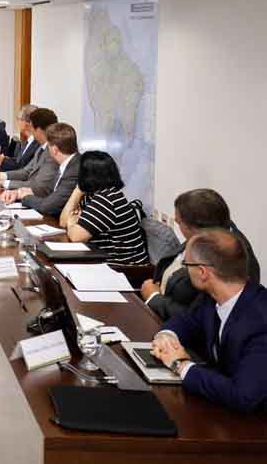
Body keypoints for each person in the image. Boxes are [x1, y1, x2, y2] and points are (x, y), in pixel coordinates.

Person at [151, 229, 267, 413]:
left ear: (203, 272)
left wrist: (180, 365)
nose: (185, 269)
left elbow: (243, 396)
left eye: (186, 264)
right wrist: (166, 337)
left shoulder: (260, 321)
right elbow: (186, 322)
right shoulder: (212, 298)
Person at [142, 189, 260, 320]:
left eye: (179, 222)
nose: (177, 225)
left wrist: (155, 299)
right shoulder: (207, 234)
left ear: (195, 228)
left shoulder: (231, 258)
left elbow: (205, 319)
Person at [58, 151, 150, 265]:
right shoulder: (94, 195)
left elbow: (76, 236)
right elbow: (63, 222)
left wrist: (71, 223)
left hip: (124, 268)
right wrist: (77, 191)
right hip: (104, 259)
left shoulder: (107, 199)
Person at [0, 122, 79, 216]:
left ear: (54, 150)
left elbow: (48, 207)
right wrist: (17, 193)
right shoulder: (69, 163)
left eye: (48, 146)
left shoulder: (73, 170)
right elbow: (49, 190)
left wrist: (25, 197)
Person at [0, 108, 59, 196]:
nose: (30, 131)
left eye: (31, 127)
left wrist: (3, 183)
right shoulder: (41, 148)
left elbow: (39, 186)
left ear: (38, 130)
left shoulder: (52, 153)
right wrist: (0, 175)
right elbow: (26, 172)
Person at [0, 104, 39, 172]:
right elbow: (18, 161)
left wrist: (3, 161)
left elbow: (22, 168)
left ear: (26, 123)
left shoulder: (37, 144)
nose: (17, 122)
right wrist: (4, 159)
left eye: (19, 119)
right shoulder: (27, 141)